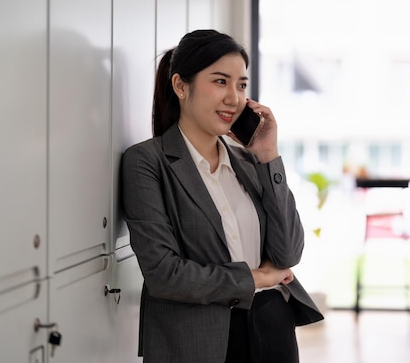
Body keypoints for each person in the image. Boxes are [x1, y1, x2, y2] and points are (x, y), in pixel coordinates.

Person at [120, 29, 324, 363]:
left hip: (271, 325)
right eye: (220, 82)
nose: (234, 98)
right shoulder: (146, 162)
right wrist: (255, 277)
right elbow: (164, 275)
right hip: (197, 338)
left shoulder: (248, 162)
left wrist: (268, 156)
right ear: (181, 86)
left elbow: (288, 250)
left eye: (241, 85)